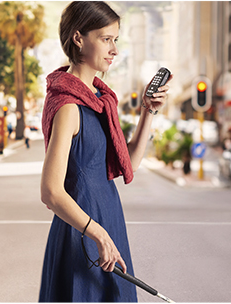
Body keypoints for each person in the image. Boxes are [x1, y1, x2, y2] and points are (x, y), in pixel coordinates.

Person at [38, 2, 172, 302]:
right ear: (78, 38)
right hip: (83, 233)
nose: (114, 49)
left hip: (107, 223)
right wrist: (97, 233)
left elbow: (129, 164)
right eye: (106, 38)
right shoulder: (69, 107)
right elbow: (50, 192)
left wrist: (147, 113)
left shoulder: (100, 102)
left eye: (116, 40)